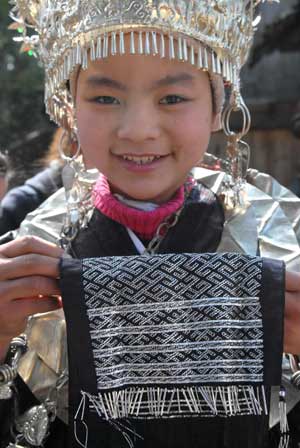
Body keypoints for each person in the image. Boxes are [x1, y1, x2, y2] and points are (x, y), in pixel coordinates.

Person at [1, 1, 300, 447]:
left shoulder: (278, 243)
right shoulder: (32, 249)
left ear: (220, 106)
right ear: (68, 109)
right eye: (105, 98)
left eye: (173, 98)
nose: (138, 129)